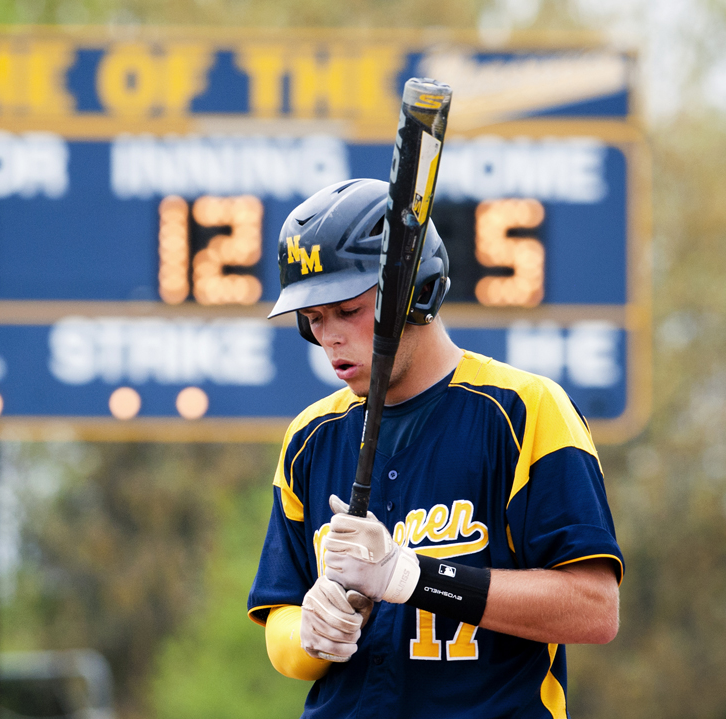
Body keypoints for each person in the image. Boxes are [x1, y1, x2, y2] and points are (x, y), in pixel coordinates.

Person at [247, 178, 622, 717]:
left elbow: (595, 609)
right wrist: (311, 631)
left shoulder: (525, 408)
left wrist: (414, 578)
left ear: (417, 291)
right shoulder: (311, 436)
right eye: (313, 320)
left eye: (347, 309)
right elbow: (278, 619)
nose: (328, 337)